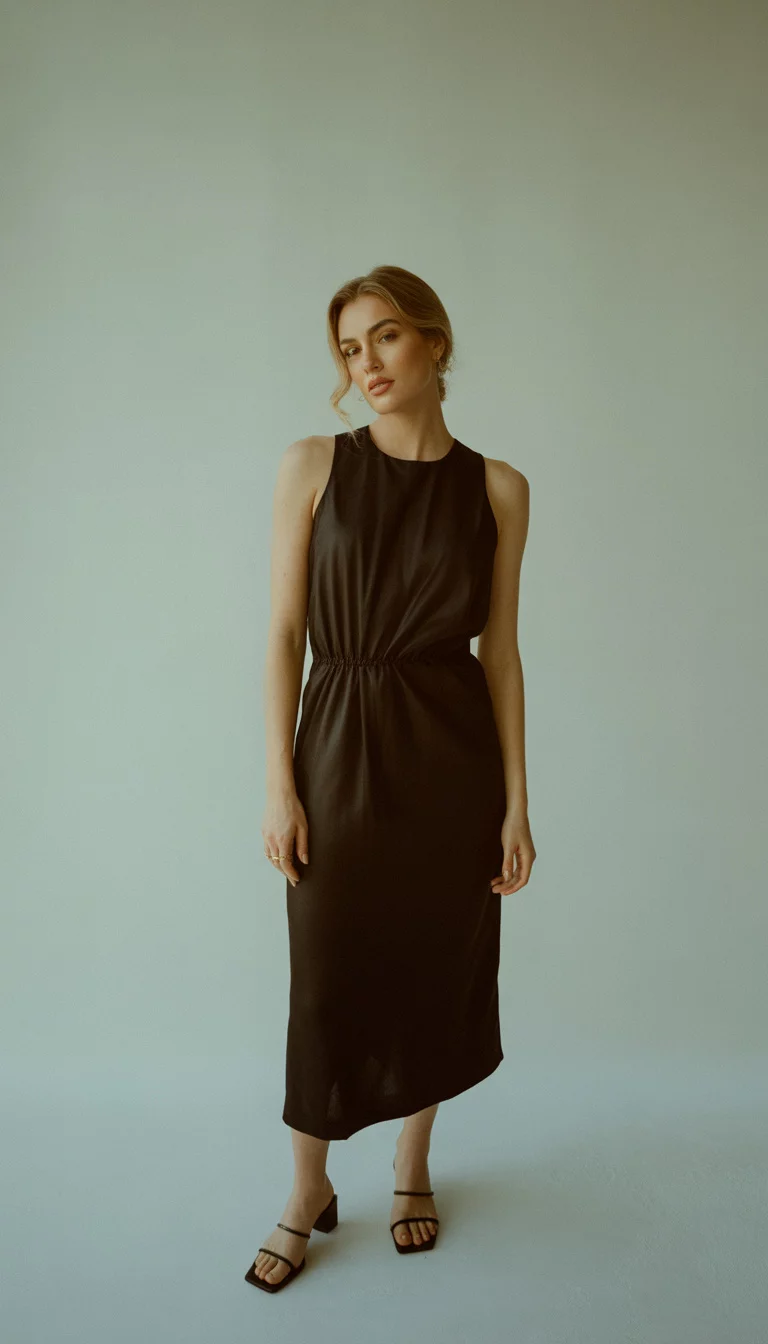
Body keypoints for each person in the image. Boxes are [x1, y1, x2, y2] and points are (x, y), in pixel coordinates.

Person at [246, 265, 535, 1292]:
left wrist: (516, 804)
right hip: (337, 743)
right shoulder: (313, 464)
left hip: (449, 760)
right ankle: (306, 1191)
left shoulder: (498, 486)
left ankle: (413, 1165)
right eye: (350, 347)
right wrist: (279, 783)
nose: (366, 362)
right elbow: (283, 633)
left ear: (435, 344)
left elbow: (499, 654)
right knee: (323, 978)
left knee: (435, 967)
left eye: (387, 339)